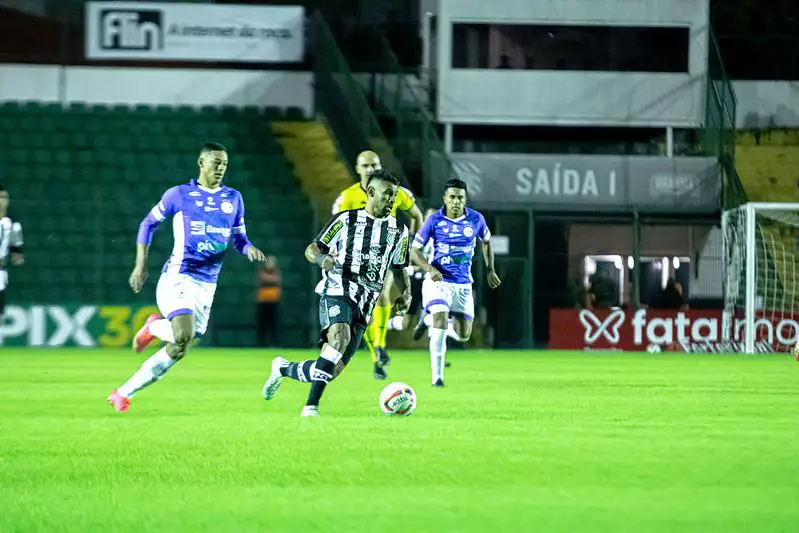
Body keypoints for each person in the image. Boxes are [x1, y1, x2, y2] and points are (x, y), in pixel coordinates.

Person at [108, 142, 267, 412]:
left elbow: (239, 238)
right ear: (201, 162)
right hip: (179, 276)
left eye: (225, 164)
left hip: (208, 284)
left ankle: (123, 392)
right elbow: (147, 223)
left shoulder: (234, 198)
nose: (220, 168)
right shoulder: (179, 195)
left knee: (179, 348)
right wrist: (140, 265)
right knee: (184, 333)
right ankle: (154, 328)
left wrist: (249, 248)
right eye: (216, 162)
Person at [261, 169, 411, 417]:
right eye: (387, 195)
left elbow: (399, 267)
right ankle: (310, 407)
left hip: (366, 304)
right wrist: (321, 259)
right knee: (338, 337)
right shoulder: (345, 220)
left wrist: (407, 294)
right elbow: (312, 248)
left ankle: (283, 368)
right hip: (338, 289)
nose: (392, 200)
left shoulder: (399, 231)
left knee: (331, 369)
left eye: (394, 196)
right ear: (371, 192)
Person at [331, 150, 423, 380]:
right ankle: (376, 356)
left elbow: (416, 215)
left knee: (382, 295)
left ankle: (379, 349)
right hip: (356, 259)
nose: (371, 169)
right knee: (364, 310)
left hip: (385, 252)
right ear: (358, 168)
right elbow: (337, 225)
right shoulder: (348, 197)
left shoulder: (395, 191)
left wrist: (413, 246)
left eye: (375, 165)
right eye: (366, 166)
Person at [410, 179, 501, 386]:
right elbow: (414, 250)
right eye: (452, 197)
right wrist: (429, 269)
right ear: (445, 199)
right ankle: (438, 378)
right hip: (438, 281)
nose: (456, 201)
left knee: (463, 335)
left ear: (465, 199)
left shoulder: (476, 219)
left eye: (460, 197)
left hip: (463, 285)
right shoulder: (434, 220)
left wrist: (490, 269)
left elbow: (486, 242)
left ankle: (427, 322)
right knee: (441, 321)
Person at [0, 185, 24, 346]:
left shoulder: (13, 225)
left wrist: (17, 257)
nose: (2, 201)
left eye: (4, 198)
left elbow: (17, 251)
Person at [255, 255, 282, 347]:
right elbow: (263, 278)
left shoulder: (277, 272)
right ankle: (260, 343)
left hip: (273, 301)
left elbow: (277, 280)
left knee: (273, 323)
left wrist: (269, 279)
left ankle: (273, 342)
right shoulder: (262, 272)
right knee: (262, 323)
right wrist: (271, 280)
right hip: (262, 301)